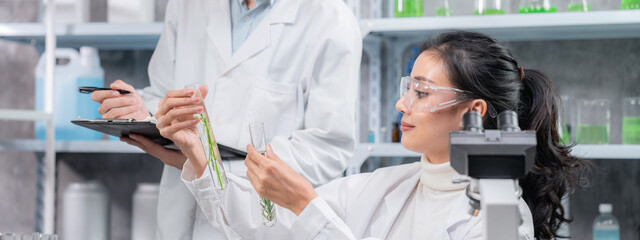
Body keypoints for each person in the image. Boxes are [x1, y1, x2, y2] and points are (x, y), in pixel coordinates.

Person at [162, 31, 591, 239]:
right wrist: (197, 153)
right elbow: (262, 224)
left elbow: (311, 219)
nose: (402, 106)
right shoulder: (390, 185)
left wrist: (306, 204)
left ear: (473, 112)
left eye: (421, 92)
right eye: (407, 89)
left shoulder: (499, 219)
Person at [90, 0, 362, 239]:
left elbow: (327, 146)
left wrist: (212, 169)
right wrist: (143, 113)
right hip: (177, 222)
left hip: (262, 225)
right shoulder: (187, 5)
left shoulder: (329, 18)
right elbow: (161, 96)